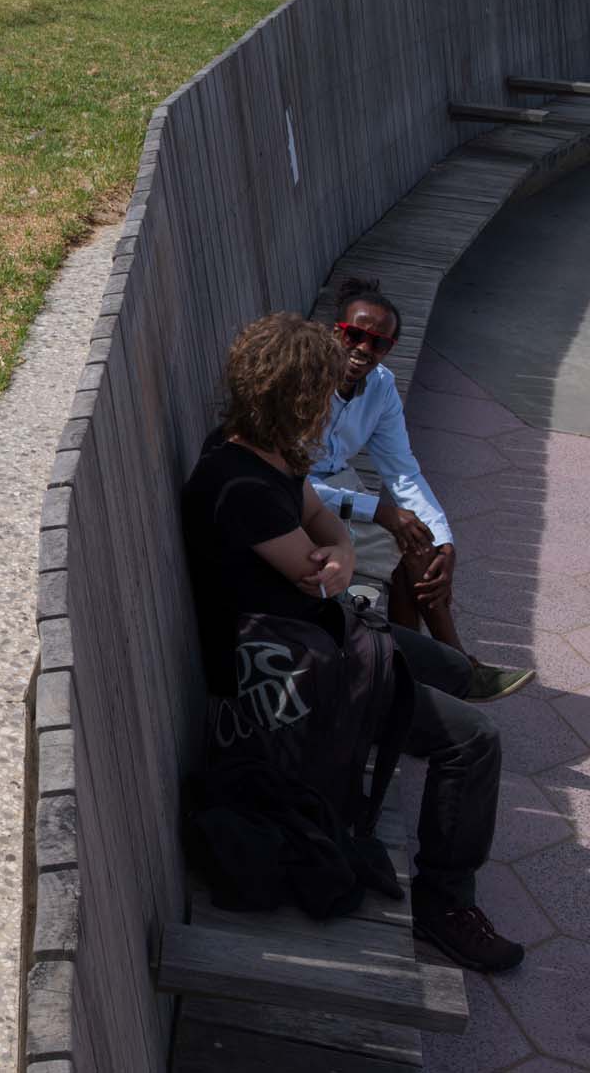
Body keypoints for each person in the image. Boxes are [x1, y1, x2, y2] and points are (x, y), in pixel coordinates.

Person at [183, 312, 522, 972]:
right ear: (299, 398)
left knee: (441, 663)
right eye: (324, 394)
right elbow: (319, 581)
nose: (330, 409)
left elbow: (324, 537)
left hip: (323, 637)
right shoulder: (241, 485)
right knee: (474, 742)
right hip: (293, 684)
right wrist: (332, 560)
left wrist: (336, 549)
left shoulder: (259, 453)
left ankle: (460, 669)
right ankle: (445, 904)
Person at [310, 277, 532, 701]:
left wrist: (445, 541)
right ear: (334, 331)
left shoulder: (381, 388)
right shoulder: (304, 380)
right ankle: (454, 669)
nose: (362, 350)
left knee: (421, 544)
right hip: (300, 503)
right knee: (404, 542)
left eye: (378, 344)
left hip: (338, 492)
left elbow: (403, 472)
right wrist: (377, 510)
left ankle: (416, 681)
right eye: (354, 335)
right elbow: (288, 483)